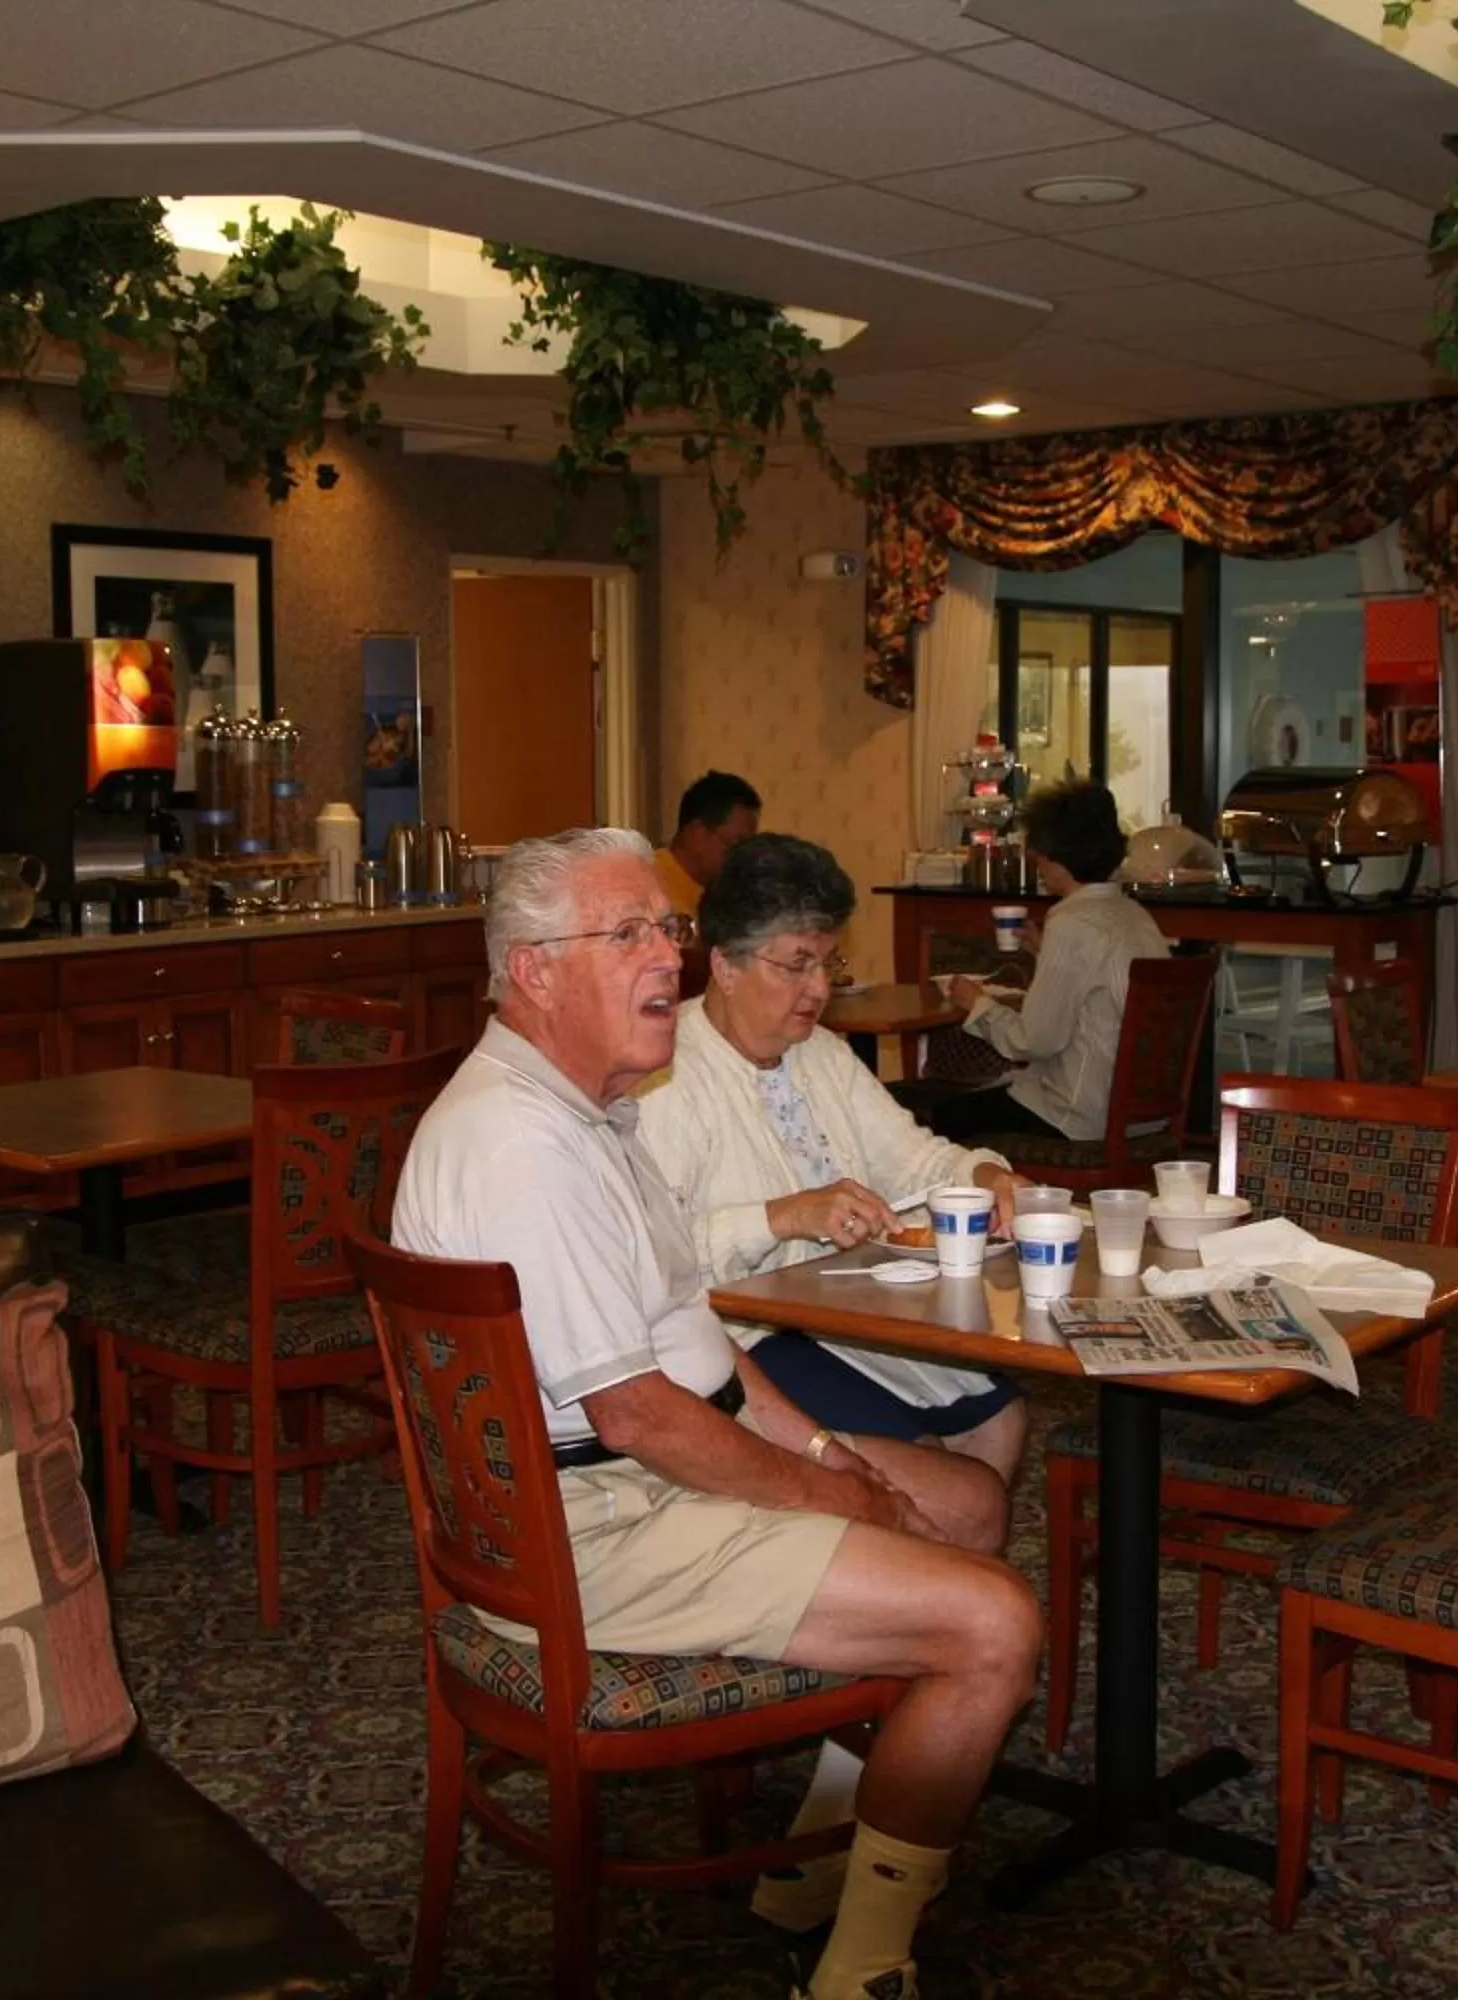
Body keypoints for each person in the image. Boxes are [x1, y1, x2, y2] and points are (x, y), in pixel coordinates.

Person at [393, 827, 1040, 2000]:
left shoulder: (599, 1114)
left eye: (668, 928)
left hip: (615, 1482)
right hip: (582, 1530)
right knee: (994, 1620)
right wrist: (830, 1490)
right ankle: (862, 1971)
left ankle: (829, 1857)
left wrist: (835, 1450)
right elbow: (640, 1413)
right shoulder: (519, 1143)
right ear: (534, 970)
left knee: (964, 1497)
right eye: (629, 932)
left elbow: (714, 1363)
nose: (669, 958)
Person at [641, 833, 1029, 1554]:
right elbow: (649, 1262)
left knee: (999, 1420)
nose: (819, 988)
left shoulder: (818, 1054)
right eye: (796, 965)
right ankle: (917, 1598)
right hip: (742, 1336)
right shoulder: (668, 1078)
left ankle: (938, 1601)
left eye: (827, 962)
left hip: (844, 1310)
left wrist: (985, 1176)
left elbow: (911, 1159)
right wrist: (781, 1217)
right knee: (944, 1481)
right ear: (724, 966)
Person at [920, 779, 1169, 1145]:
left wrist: (978, 1005)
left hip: (1081, 1117)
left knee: (945, 1117)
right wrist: (1044, 951)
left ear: (1052, 855)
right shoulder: (1135, 915)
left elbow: (1033, 1041)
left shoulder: (1071, 921)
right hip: (1144, 1115)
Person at [654, 769, 760, 917]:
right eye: (736, 845)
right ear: (697, 833)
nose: (742, 858)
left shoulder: (724, 895)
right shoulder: (649, 883)